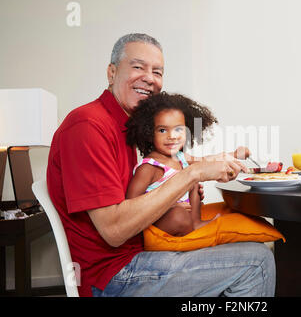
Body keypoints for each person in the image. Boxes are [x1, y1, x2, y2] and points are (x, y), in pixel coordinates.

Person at [47, 33, 276, 297]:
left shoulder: (129, 126)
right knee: (256, 261)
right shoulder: (88, 126)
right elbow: (114, 230)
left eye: (157, 71)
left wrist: (221, 159)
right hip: (114, 275)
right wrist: (193, 175)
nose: (149, 78)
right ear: (111, 73)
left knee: (248, 232)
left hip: (142, 249)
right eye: (138, 67)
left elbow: (176, 163)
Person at [125, 92, 223, 236]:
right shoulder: (149, 167)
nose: (172, 136)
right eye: (163, 130)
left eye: (178, 129)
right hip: (160, 218)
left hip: (187, 212)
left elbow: (205, 161)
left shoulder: (180, 157)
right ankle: (189, 227)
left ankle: (196, 222)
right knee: (179, 216)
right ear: (150, 134)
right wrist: (168, 205)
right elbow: (131, 203)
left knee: (193, 175)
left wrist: (233, 155)